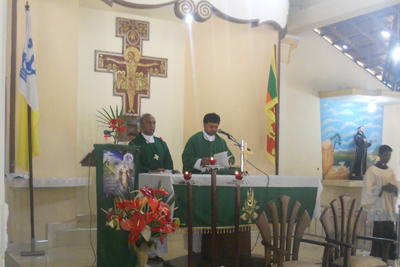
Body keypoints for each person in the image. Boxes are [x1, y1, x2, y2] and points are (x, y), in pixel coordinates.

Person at [128, 113, 175, 262]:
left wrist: (166, 170)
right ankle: (143, 252)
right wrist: (150, 172)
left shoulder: (162, 144)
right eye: (148, 122)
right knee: (145, 219)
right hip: (144, 189)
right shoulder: (134, 144)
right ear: (140, 125)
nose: (152, 125)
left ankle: (156, 252)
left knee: (159, 218)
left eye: (154, 122)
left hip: (162, 190)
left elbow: (169, 163)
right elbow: (134, 166)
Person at [361, 145, 398, 260]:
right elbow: (368, 189)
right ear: (380, 155)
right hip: (378, 207)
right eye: (386, 155)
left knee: (389, 231)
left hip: (388, 206)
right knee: (380, 232)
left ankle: (389, 255)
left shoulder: (390, 172)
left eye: (389, 155)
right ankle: (378, 255)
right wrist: (381, 188)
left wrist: (395, 188)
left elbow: (396, 185)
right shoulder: (372, 171)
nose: (388, 157)